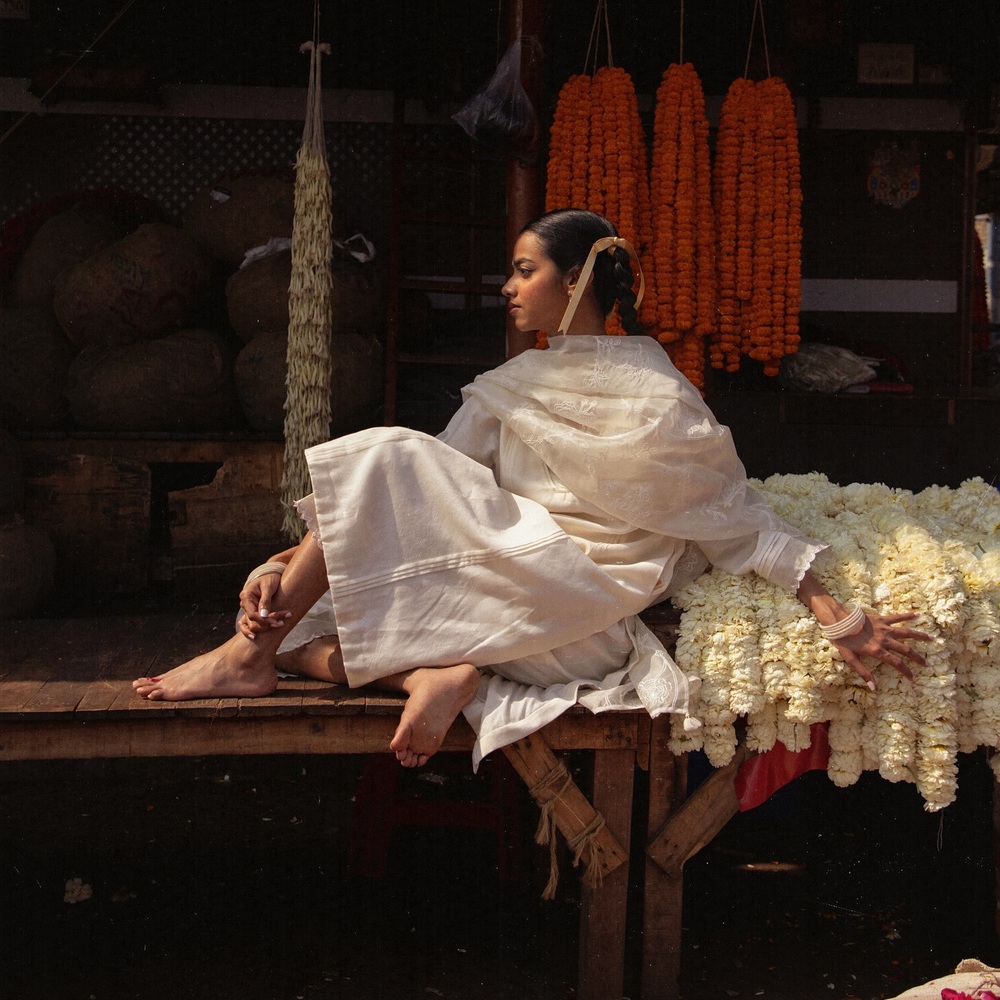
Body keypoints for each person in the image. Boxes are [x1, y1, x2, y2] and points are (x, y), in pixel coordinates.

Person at [134, 209, 930, 768]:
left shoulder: (660, 395)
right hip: (511, 591)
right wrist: (283, 560)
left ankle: (250, 656)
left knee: (380, 457)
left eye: (525, 270)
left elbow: (737, 523)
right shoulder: (514, 385)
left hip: (577, 607)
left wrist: (840, 616)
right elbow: (401, 500)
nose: (509, 287)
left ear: (578, 277)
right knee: (323, 596)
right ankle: (423, 675)